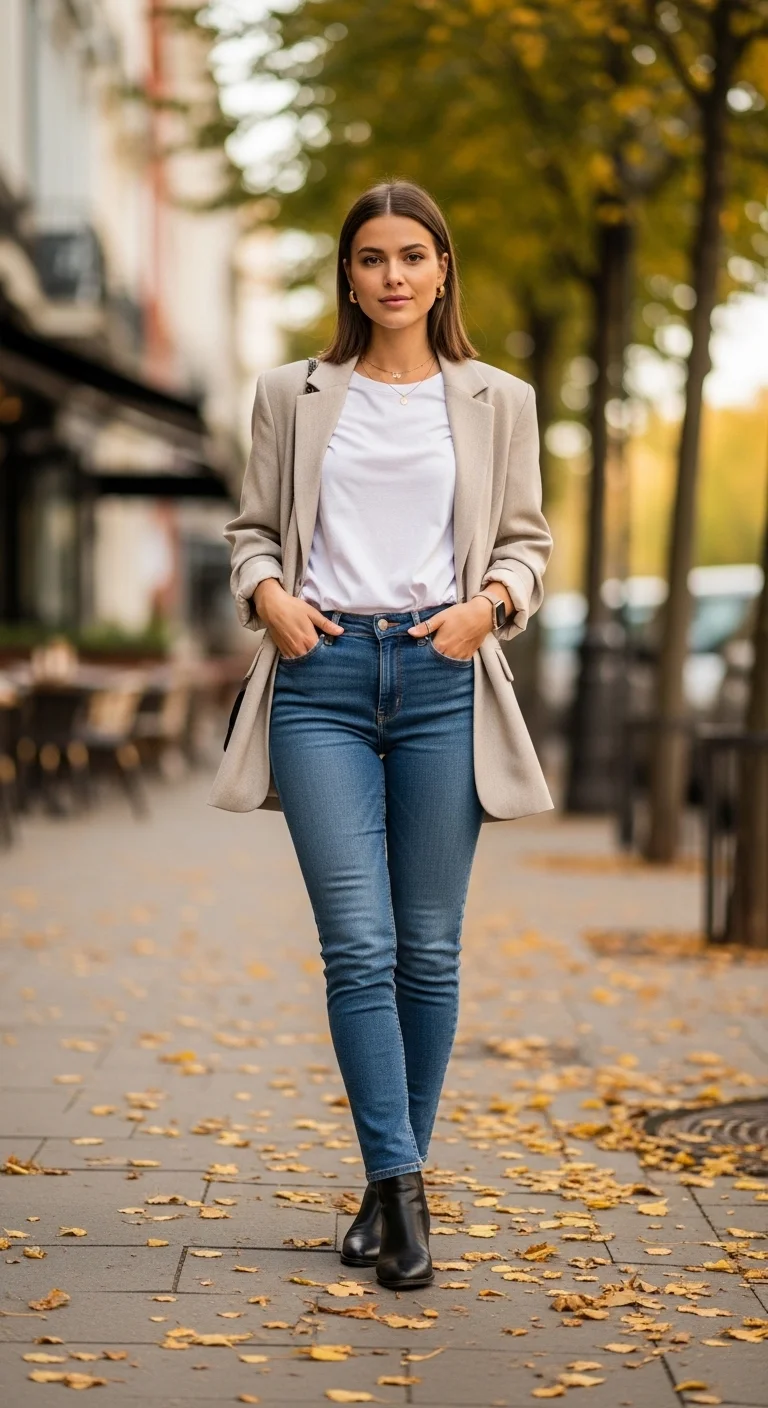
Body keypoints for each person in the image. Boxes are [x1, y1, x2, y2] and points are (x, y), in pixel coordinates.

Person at [209, 180, 553, 1290]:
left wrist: (489, 605)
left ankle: (387, 1182)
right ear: (348, 278)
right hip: (322, 678)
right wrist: (268, 595)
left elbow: (529, 543)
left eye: (412, 255)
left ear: (442, 269)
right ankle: (403, 1193)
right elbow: (252, 531)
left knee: (429, 948)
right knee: (360, 944)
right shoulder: (292, 393)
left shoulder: (500, 399)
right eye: (372, 258)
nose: (393, 275)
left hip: (446, 676)